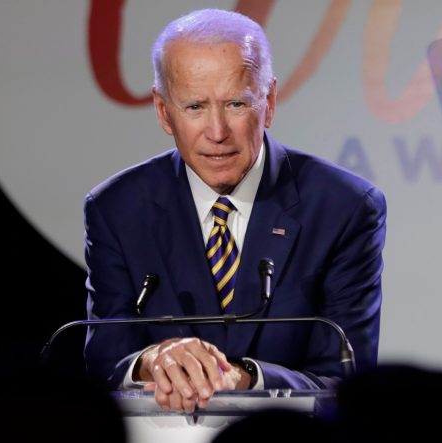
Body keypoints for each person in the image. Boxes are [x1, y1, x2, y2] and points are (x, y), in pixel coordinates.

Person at [83, 8, 386, 413]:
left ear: (270, 100)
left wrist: (246, 377)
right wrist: (149, 363)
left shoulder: (343, 208)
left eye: (236, 104)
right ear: (162, 110)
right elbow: (102, 362)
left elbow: (347, 379)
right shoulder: (117, 210)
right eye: (194, 107)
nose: (217, 132)